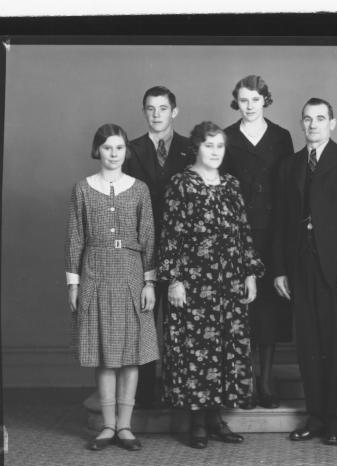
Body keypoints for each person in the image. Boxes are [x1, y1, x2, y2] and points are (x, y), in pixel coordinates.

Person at [159, 121, 264, 449]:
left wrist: (249, 272)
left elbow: (243, 230)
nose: (216, 152)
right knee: (195, 351)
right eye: (209, 146)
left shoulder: (231, 184)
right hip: (194, 282)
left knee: (223, 350)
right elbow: (171, 234)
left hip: (228, 282)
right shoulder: (181, 183)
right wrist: (174, 280)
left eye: (220, 146)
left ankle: (216, 418)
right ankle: (197, 422)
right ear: (196, 148)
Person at [272, 98, 337, 446]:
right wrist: (280, 271)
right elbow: (282, 223)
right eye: (308, 119)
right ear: (301, 123)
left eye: (320, 118)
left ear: (333, 122)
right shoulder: (291, 165)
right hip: (301, 268)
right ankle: (315, 418)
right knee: (308, 348)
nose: (313, 125)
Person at [65, 123, 158, 451]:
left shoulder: (140, 188)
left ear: (126, 152)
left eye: (119, 148)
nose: (114, 154)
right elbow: (76, 235)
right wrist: (73, 284)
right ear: (98, 151)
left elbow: (148, 236)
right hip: (96, 272)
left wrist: (149, 281)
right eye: (107, 148)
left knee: (130, 354)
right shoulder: (83, 188)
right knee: (105, 355)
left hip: (131, 274)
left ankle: (125, 426)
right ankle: (107, 426)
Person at [222, 75, 294, 409]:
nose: (250, 106)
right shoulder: (226, 137)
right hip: (237, 234)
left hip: (274, 234)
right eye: (244, 100)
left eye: (255, 99)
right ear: (237, 102)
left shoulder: (281, 137)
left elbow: (291, 188)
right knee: (242, 311)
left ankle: (266, 382)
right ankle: (245, 382)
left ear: (265, 99)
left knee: (269, 312)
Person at [123, 85, 194, 408]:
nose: (156, 114)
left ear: (174, 111)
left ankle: (179, 392)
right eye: (150, 108)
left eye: (162, 108)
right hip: (143, 247)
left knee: (181, 322)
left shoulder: (190, 148)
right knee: (146, 320)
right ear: (144, 112)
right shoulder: (131, 149)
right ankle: (147, 395)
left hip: (182, 248)